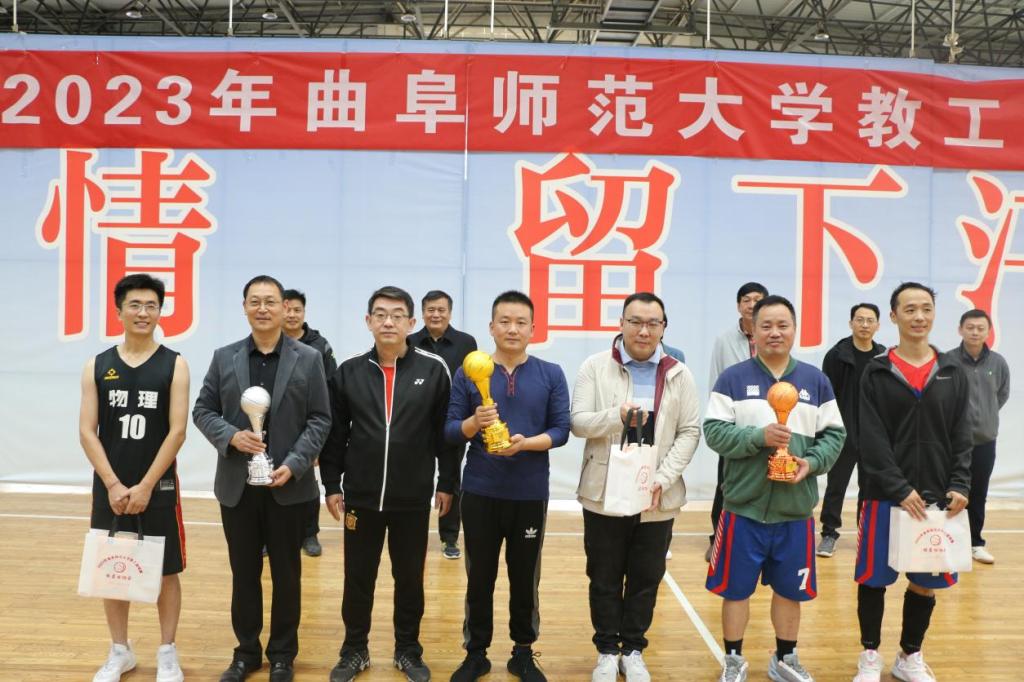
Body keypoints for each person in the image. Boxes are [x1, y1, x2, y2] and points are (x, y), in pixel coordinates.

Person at [193, 275, 331, 682]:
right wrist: (231, 436)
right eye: (255, 301)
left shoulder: (309, 358)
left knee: (288, 575)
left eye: (271, 301)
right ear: (244, 307)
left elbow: (320, 418)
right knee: (244, 574)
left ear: (284, 307)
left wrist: (296, 462)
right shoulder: (225, 357)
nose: (263, 308)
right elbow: (203, 410)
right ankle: (246, 652)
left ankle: (283, 655)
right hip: (238, 487)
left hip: (289, 486)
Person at [704, 295, 845, 682]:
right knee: (736, 590)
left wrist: (811, 463)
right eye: (765, 325)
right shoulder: (732, 379)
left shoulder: (815, 381)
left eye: (783, 325)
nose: (775, 332)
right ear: (752, 330)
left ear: (795, 330)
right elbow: (714, 432)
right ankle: (734, 659)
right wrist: (758, 437)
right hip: (743, 508)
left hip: (794, 511)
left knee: (790, 590)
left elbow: (835, 435)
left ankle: (785, 658)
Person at [321, 286, 458, 682]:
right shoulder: (348, 371)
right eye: (380, 314)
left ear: (411, 323)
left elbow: (445, 434)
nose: (388, 322)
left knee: (410, 578)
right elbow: (335, 434)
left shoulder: (434, 369)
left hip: (412, 498)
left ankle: (408, 650)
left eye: (397, 315)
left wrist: (447, 482)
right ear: (368, 321)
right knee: (358, 578)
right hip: (361, 497)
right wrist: (331, 484)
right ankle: (354, 650)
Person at [570, 292, 701, 682]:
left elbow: (690, 431)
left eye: (652, 323)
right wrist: (617, 416)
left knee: (646, 578)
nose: (644, 331)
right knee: (604, 576)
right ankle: (607, 651)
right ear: (621, 324)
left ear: (663, 328)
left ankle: (633, 650)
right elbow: (578, 423)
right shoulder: (595, 366)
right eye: (635, 322)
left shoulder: (679, 373)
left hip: (657, 495)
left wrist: (662, 479)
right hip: (604, 491)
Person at [445, 290, 571, 682]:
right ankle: (476, 654)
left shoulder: (551, 373)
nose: (512, 329)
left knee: (524, 577)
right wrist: (474, 423)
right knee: (479, 577)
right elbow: (450, 430)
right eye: (504, 321)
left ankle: (523, 652)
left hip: (529, 493)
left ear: (533, 329)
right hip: (480, 491)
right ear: (491, 327)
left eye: (520, 322)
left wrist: (526, 443)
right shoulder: (470, 372)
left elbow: (561, 429)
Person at [853, 282, 972, 682]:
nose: (919, 316)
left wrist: (961, 483)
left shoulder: (952, 371)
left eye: (926, 309)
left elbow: (962, 434)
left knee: (925, 582)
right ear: (893, 316)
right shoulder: (876, 372)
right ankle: (870, 655)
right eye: (909, 309)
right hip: (883, 496)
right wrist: (899, 488)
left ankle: (909, 656)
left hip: (935, 499)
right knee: (874, 579)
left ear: (933, 314)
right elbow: (870, 437)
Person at [80, 274, 190, 682]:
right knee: (111, 566)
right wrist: (112, 483)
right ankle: (119, 650)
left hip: (157, 486)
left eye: (151, 306)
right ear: (119, 311)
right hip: (110, 486)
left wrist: (145, 485)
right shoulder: (97, 365)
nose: (143, 313)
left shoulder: (175, 364)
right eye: (135, 305)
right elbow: (87, 431)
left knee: (166, 570)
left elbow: (177, 432)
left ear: (160, 312)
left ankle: (167, 652)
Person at [407, 289, 478, 560]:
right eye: (431, 310)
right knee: (417, 477)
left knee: (451, 478)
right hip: (417, 423)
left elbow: (474, 379)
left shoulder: (466, 342)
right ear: (422, 313)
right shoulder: (410, 341)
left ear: (450, 313)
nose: (436, 315)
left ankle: (449, 536)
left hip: (453, 422)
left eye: (441, 310)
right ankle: (413, 533)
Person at [705, 282, 769, 561]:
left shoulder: (773, 335)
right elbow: (716, 380)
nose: (752, 304)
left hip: (768, 423)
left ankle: (756, 538)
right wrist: (721, 422)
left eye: (758, 299)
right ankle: (717, 538)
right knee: (726, 482)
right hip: (734, 424)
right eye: (746, 300)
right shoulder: (725, 340)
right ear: (738, 306)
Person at [816, 303, 885, 558]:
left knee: (870, 486)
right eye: (859, 319)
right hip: (842, 432)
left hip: (872, 434)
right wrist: (828, 431)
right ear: (851, 323)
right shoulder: (836, 355)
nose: (864, 325)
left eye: (870, 320)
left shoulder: (883, 357)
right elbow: (826, 396)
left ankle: (865, 534)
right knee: (836, 485)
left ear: (877, 325)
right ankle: (829, 533)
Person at [947, 309, 1010, 564]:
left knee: (978, 493)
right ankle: (947, 540)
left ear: (988, 331)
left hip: (984, 441)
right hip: (952, 442)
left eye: (980, 328)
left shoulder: (998, 363)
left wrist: (985, 415)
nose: (975, 332)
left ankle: (974, 542)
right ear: (960, 329)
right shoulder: (948, 361)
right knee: (950, 491)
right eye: (970, 327)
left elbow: (1001, 395)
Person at [282, 288, 338, 558]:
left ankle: (309, 533)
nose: (292, 315)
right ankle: (273, 536)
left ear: (304, 313)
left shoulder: (319, 345)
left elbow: (331, 388)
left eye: (297, 310)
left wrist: (321, 438)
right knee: (271, 477)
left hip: (310, 426)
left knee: (306, 482)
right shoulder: (269, 340)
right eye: (287, 309)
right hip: (278, 425)